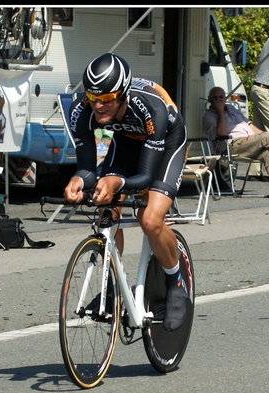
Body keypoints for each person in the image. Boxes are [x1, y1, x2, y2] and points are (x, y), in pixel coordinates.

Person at [64, 52, 189, 332]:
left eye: (107, 99)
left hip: (166, 142)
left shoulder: (151, 107)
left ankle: (175, 282)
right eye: (92, 97)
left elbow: (145, 176)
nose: (98, 105)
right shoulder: (81, 110)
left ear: (122, 94)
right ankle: (112, 288)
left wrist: (115, 184)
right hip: (127, 142)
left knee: (150, 219)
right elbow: (86, 170)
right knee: (105, 208)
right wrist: (78, 181)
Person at [204, 87, 269, 199]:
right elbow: (221, 133)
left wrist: (263, 136)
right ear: (209, 99)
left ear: (225, 98)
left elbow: (249, 125)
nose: (218, 100)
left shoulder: (231, 109)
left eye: (221, 97)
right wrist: (220, 112)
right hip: (231, 146)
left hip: (249, 143)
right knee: (267, 136)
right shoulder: (209, 116)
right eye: (215, 98)